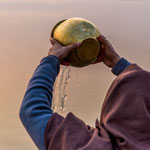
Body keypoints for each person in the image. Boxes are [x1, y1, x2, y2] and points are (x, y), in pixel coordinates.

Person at [19, 34, 150, 150]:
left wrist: (52, 60)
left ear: (113, 108)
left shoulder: (83, 145)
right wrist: (120, 64)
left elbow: (31, 111)